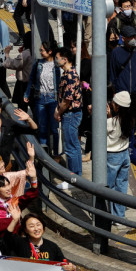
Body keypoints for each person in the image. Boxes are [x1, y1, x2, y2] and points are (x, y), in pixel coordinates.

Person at [0, 172, 38, 250]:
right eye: (3, 186)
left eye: (8, 184)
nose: (8, 188)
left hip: (16, 241)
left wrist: (33, 178)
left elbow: (31, 195)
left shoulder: (15, 202)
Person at [4, 207, 76, 271]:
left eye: (38, 225)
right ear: (25, 230)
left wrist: (70, 268)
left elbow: (63, 265)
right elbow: (7, 238)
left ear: (43, 227)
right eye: (31, 226)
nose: (36, 229)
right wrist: (15, 220)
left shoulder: (52, 246)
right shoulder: (21, 243)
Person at [54, 47, 83, 179]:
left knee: (70, 147)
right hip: (72, 114)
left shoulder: (70, 76)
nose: (56, 60)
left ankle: (73, 177)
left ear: (64, 60)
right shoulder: (68, 74)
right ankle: (77, 175)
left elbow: (67, 100)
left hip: (71, 115)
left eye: (57, 58)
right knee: (74, 146)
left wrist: (58, 112)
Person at [108, 25, 136, 115]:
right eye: (130, 37)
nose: (133, 39)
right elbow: (113, 73)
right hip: (122, 92)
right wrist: (115, 90)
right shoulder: (116, 52)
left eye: (134, 36)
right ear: (123, 38)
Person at [25, 41, 59, 154]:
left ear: (50, 51)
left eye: (42, 50)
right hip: (40, 98)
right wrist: (27, 93)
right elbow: (32, 79)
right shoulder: (38, 63)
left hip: (53, 99)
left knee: (54, 128)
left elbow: (59, 83)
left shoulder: (57, 65)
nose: (40, 52)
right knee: (42, 127)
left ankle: (56, 153)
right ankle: (44, 153)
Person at [106, 91, 133, 212]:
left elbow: (100, 132)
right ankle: (119, 216)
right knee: (122, 186)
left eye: (113, 102)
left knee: (109, 187)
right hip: (125, 155)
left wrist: (108, 117)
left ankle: (108, 215)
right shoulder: (129, 119)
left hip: (112, 156)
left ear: (117, 106)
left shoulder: (112, 122)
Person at [4, 31, 33, 112]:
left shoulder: (25, 54)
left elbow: (13, 64)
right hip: (32, 83)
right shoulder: (35, 52)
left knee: (22, 107)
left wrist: (7, 54)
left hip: (23, 84)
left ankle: (23, 123)